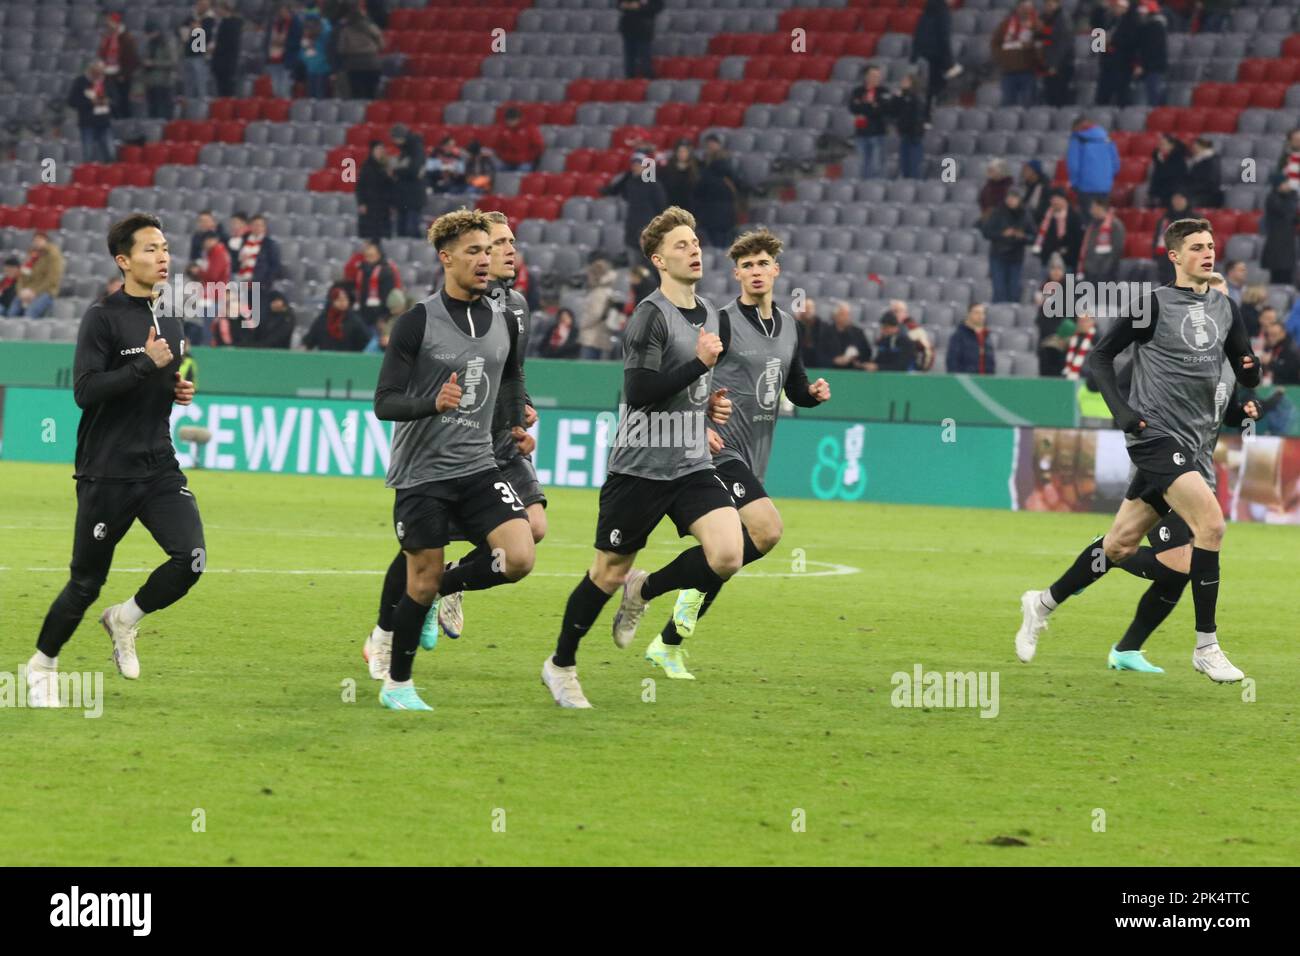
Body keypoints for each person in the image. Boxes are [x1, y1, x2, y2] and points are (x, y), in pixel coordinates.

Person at [1016, 217, 1261, 683]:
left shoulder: (1226, 309)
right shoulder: (1152, 305)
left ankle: (1042, 602)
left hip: (1194, 448)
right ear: (1174, 256)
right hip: (1154, 437)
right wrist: (1123, 413)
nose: (1207, 253)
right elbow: (1101, 356)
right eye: (1196, 247)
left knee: (1120, 545)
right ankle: (1206, 645)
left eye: (1211, 246)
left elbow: (1245, 372)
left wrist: (1250, 375)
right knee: (1211, 525)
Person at [540, 205, 738, 707]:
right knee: (607, 571)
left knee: (728, 554)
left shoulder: (713, 313)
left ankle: (645, 590)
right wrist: (699, 365)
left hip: (691, 462)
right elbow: (641, 389)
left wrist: (711, 402)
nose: (693, 250)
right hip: (640, 468)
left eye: (694, 242)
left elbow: (695, 385)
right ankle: (560, 664)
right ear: (657, 259)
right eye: (680, 245)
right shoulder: (649, 316)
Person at [23, 213, 204, 706]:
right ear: (124, 261)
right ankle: (42, 665)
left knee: (192, 559)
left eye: (165, 247)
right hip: (107, 470)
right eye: (150, 249)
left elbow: (161, 378)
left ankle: (124, 619)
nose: (162, 256)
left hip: (159, 466)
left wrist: (177, 386)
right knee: (85, 582)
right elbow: (85, 391)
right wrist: (145, 364)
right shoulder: (101, 318)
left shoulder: (172, 318)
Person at [369, 208, 533, 711]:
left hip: (479, 464)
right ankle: (398, 684)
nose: (486, 260)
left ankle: (446, 587)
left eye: (489, 250)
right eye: (474, 252)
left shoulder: (505, 318)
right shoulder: (417, 321)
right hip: (422, 474)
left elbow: (508, 378)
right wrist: (431, 404)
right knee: (419, 580)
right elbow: (384, 402)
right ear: (446, 258)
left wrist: (516, 425)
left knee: (519, 556)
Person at [647, 228, 829, 676]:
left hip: (754, 454)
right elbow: (690, 374)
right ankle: (650, 587)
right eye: (746, 265)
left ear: (775, 270)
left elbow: (794, 387)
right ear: (737, 275)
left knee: (726, 555)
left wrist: (813, 394)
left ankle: (668, 642)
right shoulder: (721, 321)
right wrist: (699, 424)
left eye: (762, 263)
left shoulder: (790, 326)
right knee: (766, 531)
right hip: (717, 447)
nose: (755, 271)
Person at [604, 152, 668, 264]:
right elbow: (615, 190)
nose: (636, 167)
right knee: (633, 260)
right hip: (632, 226)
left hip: (648, 227)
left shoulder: (654, 184)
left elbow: (661, 207)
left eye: (639, 164)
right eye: (634, 164)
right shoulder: (630, 182)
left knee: (648, 261)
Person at [981, 188, 1034, 303]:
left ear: (1019, 200)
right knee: (999, 290)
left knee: (1014, 291)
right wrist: (1002, 234)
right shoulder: (997, 213)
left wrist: (1022, 236)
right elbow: (986, 232)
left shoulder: (1025, 215)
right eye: (1009, 197)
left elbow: (1033, 237)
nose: (1011, 200)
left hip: (1016, 257)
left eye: (1014, 197)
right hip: (998, 256)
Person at [694, 135, 744, 249]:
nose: (711, 147)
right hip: (712, 213)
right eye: (708, 145)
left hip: (721, 213)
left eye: (713, 144)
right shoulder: (703, 167)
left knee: (721, 243)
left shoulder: (719, 169)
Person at [912, 0, 957, 117]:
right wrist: (950, 63)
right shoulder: (943, 12)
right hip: (937, 58)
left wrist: (913, 58)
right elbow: (944, 38)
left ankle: (924, 117)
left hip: (922, 56)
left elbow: (917, 35)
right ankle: (934, 116)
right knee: (937, 89)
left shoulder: (927, 11)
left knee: (924, 90)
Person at [991, 0, 1039, 107]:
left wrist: (1031, 47)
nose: (1026, 11)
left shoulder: (1036, 25)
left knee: (1028, 105)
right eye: (1023, 8)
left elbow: (1042, 45)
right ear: (1017, 8)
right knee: (1007, 104)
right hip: (1008, 72)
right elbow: (995, 44)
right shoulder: (1006, 24)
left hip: (1028, 72)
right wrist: (1002, 59)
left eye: (1028, 8)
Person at [6, 233, 65, 318]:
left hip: (45, 292)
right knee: (12, 312)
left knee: (30, 312)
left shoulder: (53, 256)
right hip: (26, 291)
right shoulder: (31, 255)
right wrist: (21, 291)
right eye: (35, 240)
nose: (37, 242)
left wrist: (34, 292)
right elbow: (22, 277)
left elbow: (52, 279)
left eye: (40, 240)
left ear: (46, 241)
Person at [848, 64, 891, 179]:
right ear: (866, 76)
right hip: (861, 133)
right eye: (873, 75)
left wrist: (864, 106)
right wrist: (871, 105)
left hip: (878, 132)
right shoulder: (857, 91)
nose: (876, 78)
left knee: (877, 165)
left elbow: (883, 109)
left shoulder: (883, 91)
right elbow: (853, 108)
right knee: (863, 165)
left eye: (878, 76)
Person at [1067, 116, 1121, 208]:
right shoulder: (1107, 138)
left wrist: (1075, 183)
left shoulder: (1077, 139)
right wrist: (1107, 180)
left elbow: (1074, 166)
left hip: (1085, 187)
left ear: (1077, 127)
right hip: (1105, 187)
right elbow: (1116, 165)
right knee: (1102, 219)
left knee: (1088, 220)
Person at [68, 61, 114, 164]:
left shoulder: (106, 82)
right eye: (97, 72)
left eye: (101, 72)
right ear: (91, 71)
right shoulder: (81, 82)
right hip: (87, 122)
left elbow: (115, 98)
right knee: (88, 154)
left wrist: (108, 101)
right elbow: (71, 101)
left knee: (110, 153)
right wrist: (90, 102)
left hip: (104, 121)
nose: (99, 75)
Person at [1095, 0, 1139, 106]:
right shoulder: (1109, 20)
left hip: (1122, 64)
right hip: (1107, 63)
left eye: (1118, 7)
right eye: (1114, 7)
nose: (1115, 9)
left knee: (1122, 97)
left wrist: (1113, 41)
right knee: (1102, 97)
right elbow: (1097, 33)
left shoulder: (1131, 22)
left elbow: (1131, 42)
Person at [336, 2, 383, 100]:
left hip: (354, 65)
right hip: (372, 63)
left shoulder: (346, 30)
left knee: (357, 94)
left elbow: (341, 49)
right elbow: (382, 45)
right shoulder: (372, 27)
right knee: (372, 93)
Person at [304, 282, 370, 351]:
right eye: (338, 299)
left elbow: (367, 343)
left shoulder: (355, 321)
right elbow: (309, 342)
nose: (342, 302)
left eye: (345, 299)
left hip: (349, 360)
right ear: (332, 301)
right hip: (325, 360)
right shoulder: (322, 320)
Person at [1034, 254, 1071, 376]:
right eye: (1053, 268)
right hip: (1045, 340)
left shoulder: (1071, 289)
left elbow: (1071, 314)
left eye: (1059, 269)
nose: (1056, 272)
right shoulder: (1043, 289)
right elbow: (1040, 318)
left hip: (1063, 340)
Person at [98, 12, 140, 118]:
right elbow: (103, 53)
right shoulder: (108, 37)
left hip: (122, 75)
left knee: (122, 100)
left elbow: (132, 59)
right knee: (110, 99)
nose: (108, 25)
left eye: (110, 22)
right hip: (109, 73)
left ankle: (124, 121)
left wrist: (124, 74)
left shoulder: (126, 38)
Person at [1031, 189, 1084, 271]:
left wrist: (1067, 251)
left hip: (1067, 260)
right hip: (1048, 259)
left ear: (1063, 200)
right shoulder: (1046, 215)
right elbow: (1040, 234)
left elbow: (1078, 239)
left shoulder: (1074, 216)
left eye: (1057, 200)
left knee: (1067, 283)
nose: (1055, 203)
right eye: (1053, 200)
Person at [389, 124, 426, 238]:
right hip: (404, 196)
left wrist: (396, 172)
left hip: (412, 197)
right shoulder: (408, 149)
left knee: (411, 230)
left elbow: (414, 171)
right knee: (402, 230)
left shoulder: (415, 148)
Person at [578, 257, 620, 360]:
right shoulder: (606, 290)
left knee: (587, 370)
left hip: (592, 337)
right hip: (600, 335)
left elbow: (595, 314)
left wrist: (582, 325)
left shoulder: (599, 293)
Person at [354, 240, 401, 328]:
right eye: (366, 256)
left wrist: (384, 317)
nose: (368, 259)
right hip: (363, 315)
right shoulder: (362, 269)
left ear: (379, 255)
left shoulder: (386, 271)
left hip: (379, 317)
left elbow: (388, 297)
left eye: (371, 256)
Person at [1260, 176, 1298, 286]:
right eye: (1285, 183)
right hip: (1276, 244)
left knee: (1288, 276)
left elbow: (1294, 218)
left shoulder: (1288, 197)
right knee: (1277, 277)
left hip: (1287, 243)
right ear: (1278, 186)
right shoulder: (1272, 198)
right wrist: (1293, 197)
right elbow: (1286, 212)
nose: (1288, 186)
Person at [1078, 196, 1125, 283]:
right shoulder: (1092, 225)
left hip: (1106, 275)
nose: (1091, 211)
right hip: (1089, 272)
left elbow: (1117, 250)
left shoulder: (1115, 225)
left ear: (1100, 207)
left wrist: (1105, 270)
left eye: (1093, 207)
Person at [1037, 0, 1074, 107]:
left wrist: (1054, 65)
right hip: (1048, 63)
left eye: (1050, 4)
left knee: (1059, 97)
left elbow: (1063, 44)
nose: (1048, 7)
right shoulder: (1046, 18)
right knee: (1050, 95)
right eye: (1046, 4)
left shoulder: (1063, 18)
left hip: (1061, 65)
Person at [1151, 191, 1192, 284]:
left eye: (1181, 198)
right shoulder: (1165, 219)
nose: (1177, 201)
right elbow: (1157, 241)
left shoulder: (1195, 219)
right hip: (1165, 261)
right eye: (1175, 199)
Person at [264, 3, 302, 100]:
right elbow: (267, 41)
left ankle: (287, 112)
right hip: (273, 60)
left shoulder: (296, 23)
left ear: (289, 11)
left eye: (284, 11)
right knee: (276, 90)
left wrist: (284, 42)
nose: (282, 14)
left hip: (288, 60)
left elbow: (298, 42)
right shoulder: (275, 24)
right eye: (280, 12)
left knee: (284, 90)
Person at [819, 301, 873, 370]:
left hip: (853, 371)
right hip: (832, 370)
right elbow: (820, 355)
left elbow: (867, 353)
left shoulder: (858, 332)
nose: (846, 318)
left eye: (848, 314)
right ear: (835, 316)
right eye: (843, 314)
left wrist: (857, 360)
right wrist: (834, 361)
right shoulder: (826, 333)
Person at [140, 20, 178, 120]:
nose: (148, 36)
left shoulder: (166, 44)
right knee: (153, 110)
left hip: (164, 82)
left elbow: (172, 62)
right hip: (151, 82)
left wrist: (154, 63)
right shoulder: (149, 44)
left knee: (164, 110)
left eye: (150, 33)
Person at [356, 140, 393, 239]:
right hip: (370, 204)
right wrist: (361, 202)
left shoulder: (385, 166)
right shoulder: (366, 166)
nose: (380, 151)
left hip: (383, 205)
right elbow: (360, 186)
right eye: (378, 149)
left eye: (382, 149)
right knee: (370, 233)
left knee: (382, 233)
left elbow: (389, 186)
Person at [617, 0, 663, 79]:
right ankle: (630, 80)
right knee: (629, 58)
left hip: (643, 29)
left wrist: (639, 6)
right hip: (628, 28)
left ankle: (648, 79)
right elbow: (620, 4)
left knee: (644, 57)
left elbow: (657, 7)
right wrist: (627, 5)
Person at [946, 303, 996, 374]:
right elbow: (952, 362)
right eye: (977, 313)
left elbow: (991, 362)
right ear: (969, 314)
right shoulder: (958, 336)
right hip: (966, 380)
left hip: (985, 382)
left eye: (983, 313)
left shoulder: (987, 336)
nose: (980, 316)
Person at [181, 0, 216, 100]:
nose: (201, 7)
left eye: (204, 5)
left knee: (201, 84)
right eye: (199, 4)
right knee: (188, 85)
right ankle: (189, 108)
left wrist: (197, 29)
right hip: (188, 54)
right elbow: (181, 30)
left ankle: (201, 108)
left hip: (200, 55)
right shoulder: (191, 17)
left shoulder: (209, 19)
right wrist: (191, 30)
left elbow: (207, 35)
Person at [893, 73, 926, 179]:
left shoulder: (917, 98)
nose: (902, 82)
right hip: (904, 135)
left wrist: (916, 133)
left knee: (913, 167)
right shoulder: (902, 97)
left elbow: (918, 117)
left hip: (913, 137)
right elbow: (894, 111)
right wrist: (897, 98)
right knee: (905, 166)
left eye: (905, 81)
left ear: (912, 83)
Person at [1135, 0, 1168, 106]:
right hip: (1149, 68)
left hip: (1154, 68)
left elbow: (1151, 50)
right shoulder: (1147, 25)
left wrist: (1142, 66)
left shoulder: (1155, 26)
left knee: (1153, 98)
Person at [496, 107, 544, 172]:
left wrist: (528, 157)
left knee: (523, 170)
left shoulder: (530, 128)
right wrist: (504, 156)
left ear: (518, 119)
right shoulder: (503, 129)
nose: (510, 123)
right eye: (508, 120)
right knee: (497, 171)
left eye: (513, 120)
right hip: (507, 161)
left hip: (525, 161)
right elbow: (498, 145)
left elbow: (538, 146)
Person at [210, 2, 243, 98]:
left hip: (227, 62)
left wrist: (216, 48)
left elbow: (231, 44)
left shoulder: (233, 24)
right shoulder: (220, 22)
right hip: (219, 61)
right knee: (220, 89)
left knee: (227, 89)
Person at [1147, 132, 1188, 209]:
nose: (1160, 147)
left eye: (1163, 144)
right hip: (1159, 190)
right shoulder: (1158, 158)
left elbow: (1178, 179)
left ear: (1171, 146)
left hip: (1173, 190)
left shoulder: (1179, 159)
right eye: (1159, 144)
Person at [1184, 136, 1223, 208]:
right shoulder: (1196, 160)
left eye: (1195, 146)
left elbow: (1210, 183)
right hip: (1196, 192)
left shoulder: (1212, 161)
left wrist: (1188, 190)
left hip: (1208, 195)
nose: (1193, 149)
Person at [1260, 315, 1300, 386]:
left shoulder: (1291, 349)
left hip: (1290, 389)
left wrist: (1270, 363)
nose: (1271, 338)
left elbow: (1290, 371)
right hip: (1273, 385)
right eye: (1269, 335)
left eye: (1274, 335)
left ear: (1283, 333)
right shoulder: (1273, 346)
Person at [661, 140, 700, 212]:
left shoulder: (697, 168)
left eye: (684, 151)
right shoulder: (667, 169)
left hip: (691, 209)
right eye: (679, 151)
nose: (682, 154)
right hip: (672, 208)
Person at [300, 14, 332, 98]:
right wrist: (307, 60)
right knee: (311, 95)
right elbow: (303, 52)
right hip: (311, 69)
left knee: (320, 95)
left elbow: (327, 53)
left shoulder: (326, 33)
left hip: (322, 70)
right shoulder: (307, 36)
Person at [1063, 312, 1097, 379]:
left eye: (1085, 321)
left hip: (1088, 377)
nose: (1082, 324)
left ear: (1092, 322)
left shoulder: (1097, 338)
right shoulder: (1072, 339)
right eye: (1080, 321)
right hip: (1070, 377)